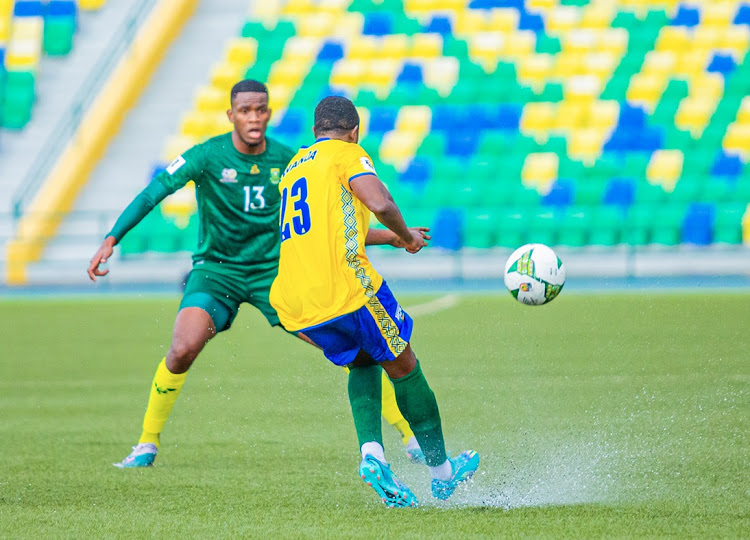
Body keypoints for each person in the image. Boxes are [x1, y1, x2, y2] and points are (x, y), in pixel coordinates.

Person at [87, 80, 423, 468]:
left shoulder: (290, 160)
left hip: (276, 275)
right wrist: (112, 238)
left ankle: (408, 437)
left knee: (355, 352)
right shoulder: (207, 155)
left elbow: (330, 225)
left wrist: (390, 238)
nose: (254, 117)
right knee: (182, 349)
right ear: (231, 115)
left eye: (261, 109)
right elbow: (154, 192)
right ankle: (146, 444)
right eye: (245, 110)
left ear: (268, 112)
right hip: (217, 272)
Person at [269, 96, 479, 508]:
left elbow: (332, 229)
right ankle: (442, 473)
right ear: (355, 131)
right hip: (347, 290)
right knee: (404, 366)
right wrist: (405, 230)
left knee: (362, 361)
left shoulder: (295, 169)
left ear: (314, 132)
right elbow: (380, 203)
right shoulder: (348, 153)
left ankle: (372, 455)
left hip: (297, 302)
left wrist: (397, 238)